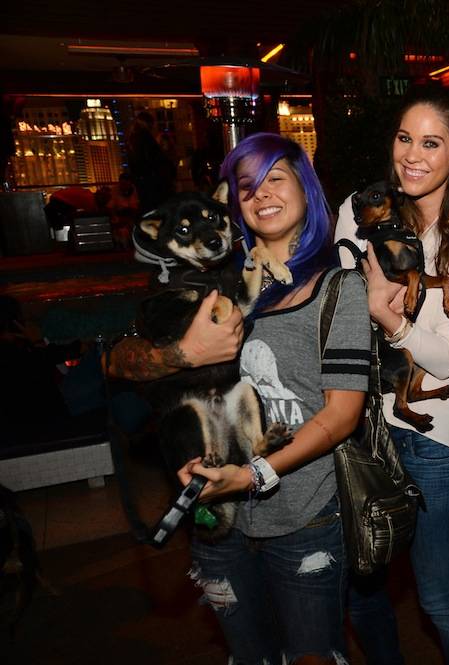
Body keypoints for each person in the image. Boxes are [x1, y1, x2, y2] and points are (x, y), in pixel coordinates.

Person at [107, 133, 369, 665]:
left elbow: (343, 415)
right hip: (216, 514)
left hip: (302, 515)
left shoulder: (338, 285)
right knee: (248, 656)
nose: (261, 193)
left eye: (276, 177)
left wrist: (253, 475)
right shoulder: (211, 279)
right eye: (247, 184)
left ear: (306, 188)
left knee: (312, 656)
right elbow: (116, 360)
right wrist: (182, 353)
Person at [334, 85, 449, 665]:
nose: (412, 155)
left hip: (437, 442)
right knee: (360, 591)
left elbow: (447, 358)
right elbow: (339, 314)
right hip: (361, 429)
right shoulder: (360, 210)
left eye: (431, 143)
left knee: (440, 600)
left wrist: (388, 317)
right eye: (405, 138)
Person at [126, 110, 176, 214]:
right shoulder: (146, 138)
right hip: (153, 182)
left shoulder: (132, 139)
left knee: (148, 208)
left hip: (143, 182)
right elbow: (155, 160)